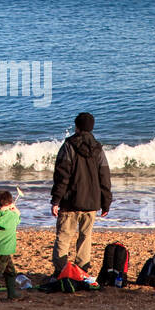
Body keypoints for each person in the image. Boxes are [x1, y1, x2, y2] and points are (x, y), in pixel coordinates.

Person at [50, 112, 112, 275]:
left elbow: (62, 175)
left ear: (76, 127)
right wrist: (106, 202)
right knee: (85, 238)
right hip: (91, 203)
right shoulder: (98, 148)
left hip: (70, 201)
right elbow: (104, 176)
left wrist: (56, 200)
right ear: (91, 128)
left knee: (63, 237)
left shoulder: (69, 145)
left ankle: (61, 271)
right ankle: (82, 271)